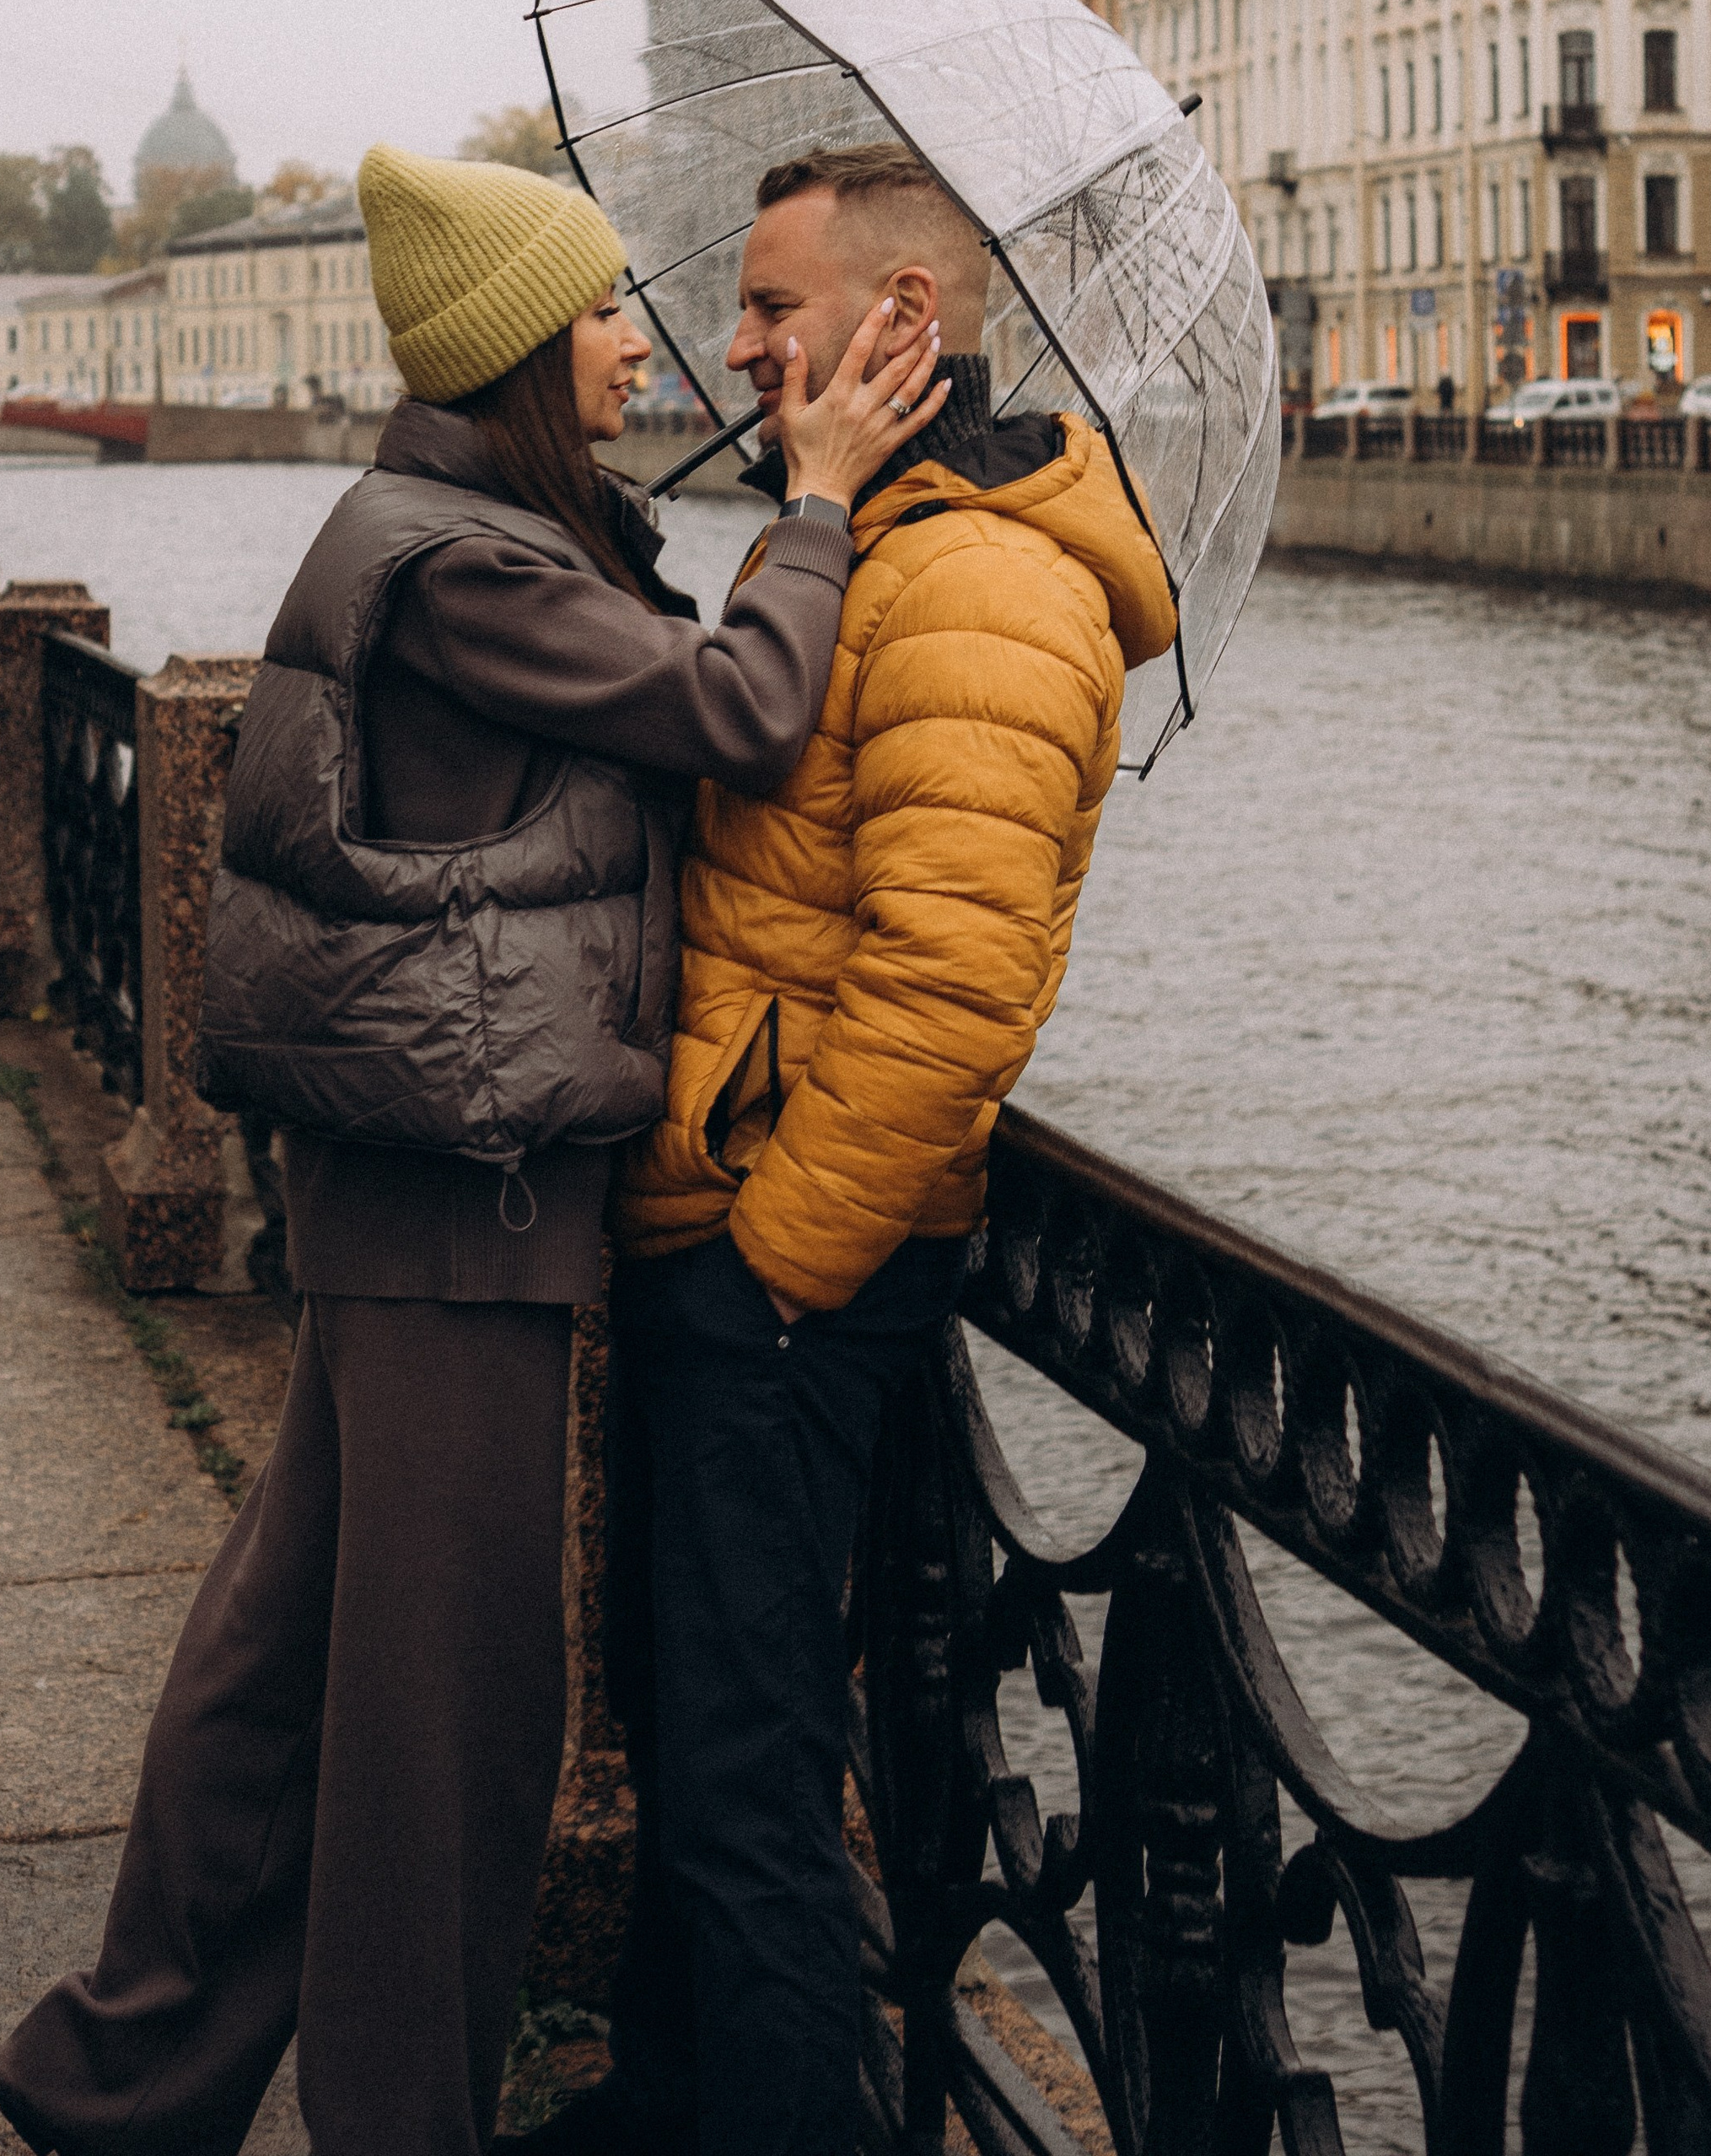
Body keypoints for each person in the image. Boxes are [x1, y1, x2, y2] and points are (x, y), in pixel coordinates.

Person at [0, 142, 948, 2156]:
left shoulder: (472, 525)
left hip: (408, 1174)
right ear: (521, 341)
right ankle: (397, 2120)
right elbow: (743, 708)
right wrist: (831, 501)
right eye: (600, 309)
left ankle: (123, 2074)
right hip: (458, 1188)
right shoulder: (466, 563)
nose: (638, 340)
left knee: (288, 1668)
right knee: (453, 1725)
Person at [529, 143, 1177, 2156]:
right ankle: (665, 2104)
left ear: (898, 327)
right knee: (702, 1734)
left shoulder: (980, 574)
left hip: (783, 1269)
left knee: (751, 1770)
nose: (732, 343)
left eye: (772, 308)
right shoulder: (874, 532)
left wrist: (771, 1262)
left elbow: (950, 993)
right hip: (724, 1225)